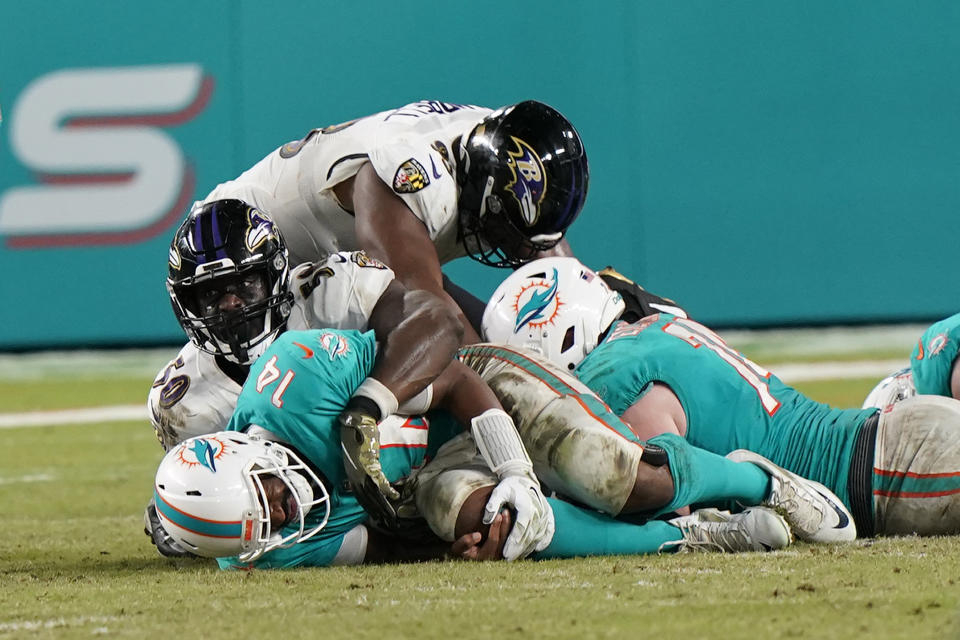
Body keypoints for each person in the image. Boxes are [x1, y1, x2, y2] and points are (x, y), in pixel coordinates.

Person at [154, 327, 833, 569]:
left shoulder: (299, 380)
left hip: (480, 389)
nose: (288, 512)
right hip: (431, 471)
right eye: (267, 527)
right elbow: (385, 544)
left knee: (614, 475)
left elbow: (445, 370)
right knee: (497, 530)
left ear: (248, 453)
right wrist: (474, 527)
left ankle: (754, 482)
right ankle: (694, 537)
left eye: (270, 497)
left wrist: (512, 468)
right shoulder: (267, 550)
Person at [146, 200, 553, 560]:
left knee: (593, 464)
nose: (230, 306)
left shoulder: (332, 292)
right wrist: (183, 515)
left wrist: (368, 405)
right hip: (405, 493)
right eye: (211, 294)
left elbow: (439, 329)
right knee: (492, 522)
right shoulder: (183, 403)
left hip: (464, 399)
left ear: (275, 275)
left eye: (244, 284)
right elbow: (226, 498)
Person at [483, 257, 960, 538]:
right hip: (893, 442)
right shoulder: (657, 327)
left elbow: (667, 500)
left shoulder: (613, 373)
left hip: (885, 472)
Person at [195, 100, 590, 341]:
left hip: (353, 255)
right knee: (430, 360)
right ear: (482, 193)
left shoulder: (495, 145)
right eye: (509, 232)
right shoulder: (411, 177)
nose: (519, 249)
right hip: (243, 258)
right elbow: (430, 319)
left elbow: (560, 278)